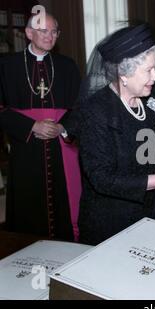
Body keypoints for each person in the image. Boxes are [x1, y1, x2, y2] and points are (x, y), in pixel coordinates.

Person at [75, 24, 155, 245]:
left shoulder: (152, 103)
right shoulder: (96, 112)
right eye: (149, 70)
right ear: (123, 74)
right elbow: (102, 179)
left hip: (151, 216)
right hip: (111, 225)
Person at [0, 13, 81, 241]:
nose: (50, 36)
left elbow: (81, 107)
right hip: (26, 149)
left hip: (61, 149)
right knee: (29, 211)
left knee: (65, 205)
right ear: (28, 33)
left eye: (54, 31)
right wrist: (31, 126)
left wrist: (62, 128)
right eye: (44, 30)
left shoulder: (67, 66)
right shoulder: (6, 65)